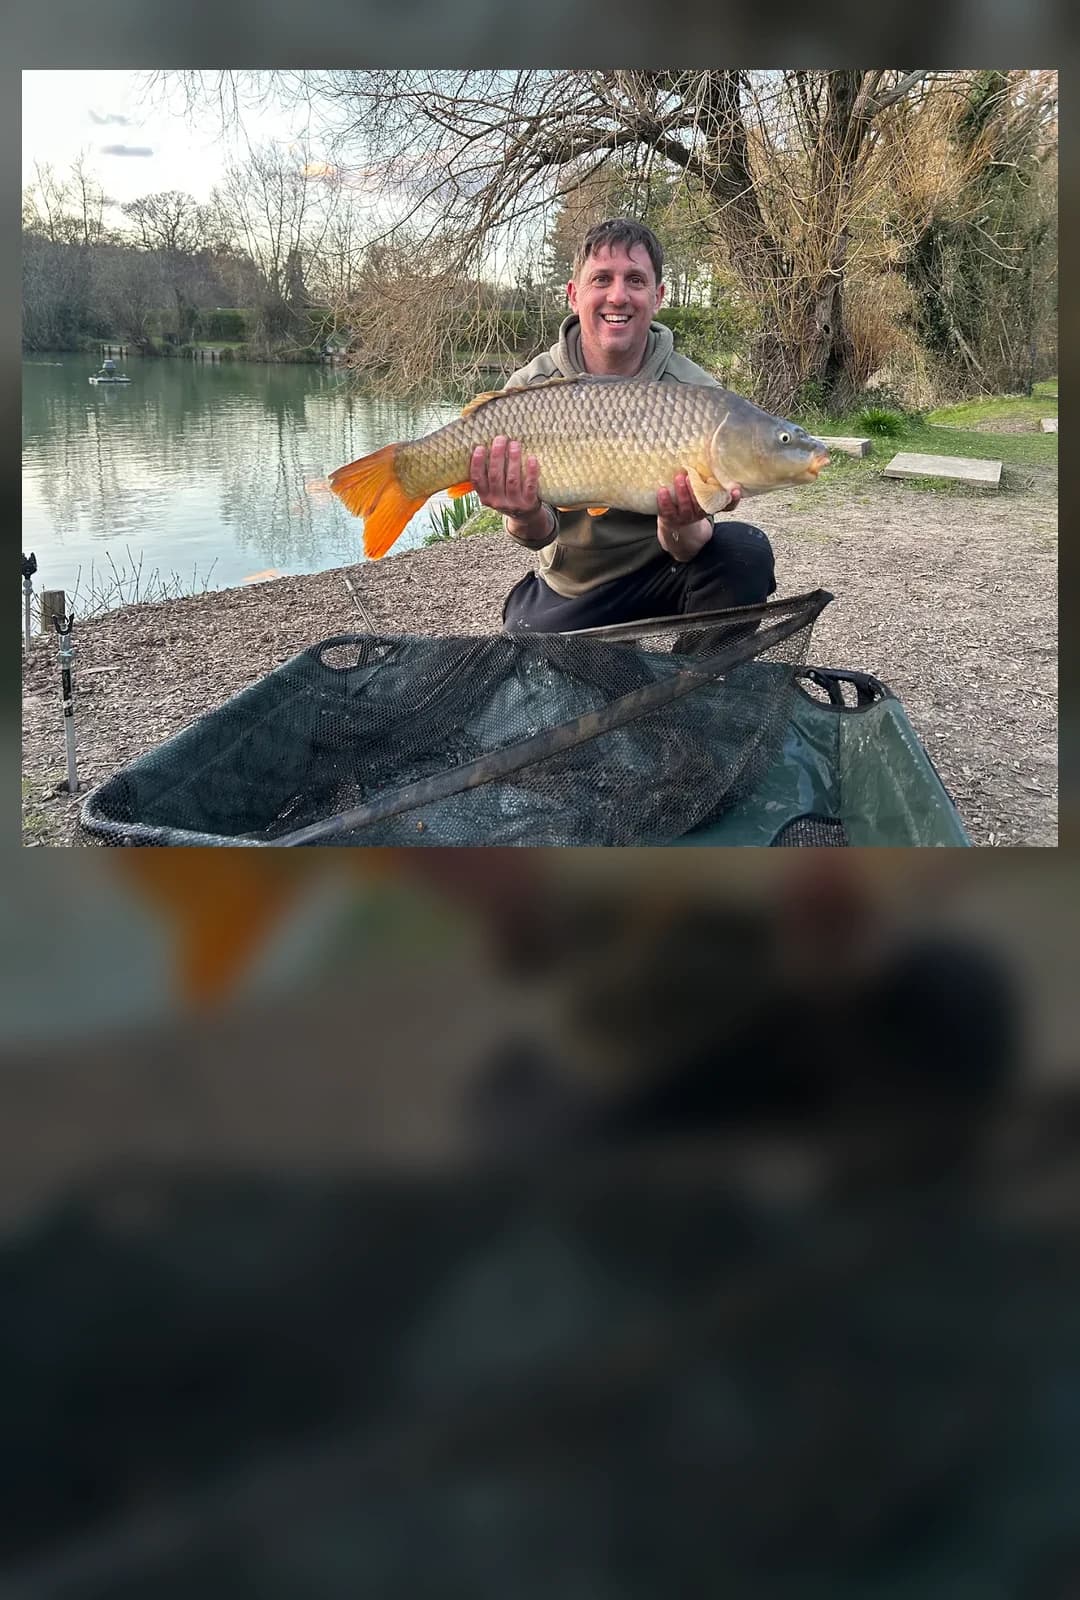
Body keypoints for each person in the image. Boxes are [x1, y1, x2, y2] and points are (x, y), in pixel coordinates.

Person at [470, 219, 777, 633]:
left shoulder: (698, 396)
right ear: (574, 294)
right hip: (574, 587)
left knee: (744, 552)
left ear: (658, 296)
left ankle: (695, 684)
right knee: (532, 656)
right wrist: (522, 513)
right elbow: (536, 535)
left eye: (635, 280)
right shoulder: (530, 391)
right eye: (602, 279)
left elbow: (689, 549)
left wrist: (678, 522)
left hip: (665, 575)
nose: (618, 295)